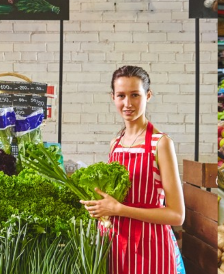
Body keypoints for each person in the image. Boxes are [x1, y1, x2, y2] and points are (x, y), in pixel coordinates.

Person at [80, 65, 186, 274]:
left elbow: (177, 215)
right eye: (121, 95)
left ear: (148, 95)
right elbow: (111, 198)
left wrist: (119, 210)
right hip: (113, 243)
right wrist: (97, 207)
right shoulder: (115, 144)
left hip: (151, 245)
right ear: (113, 97)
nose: (127, 104)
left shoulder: (160, 143)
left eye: (135, 95)